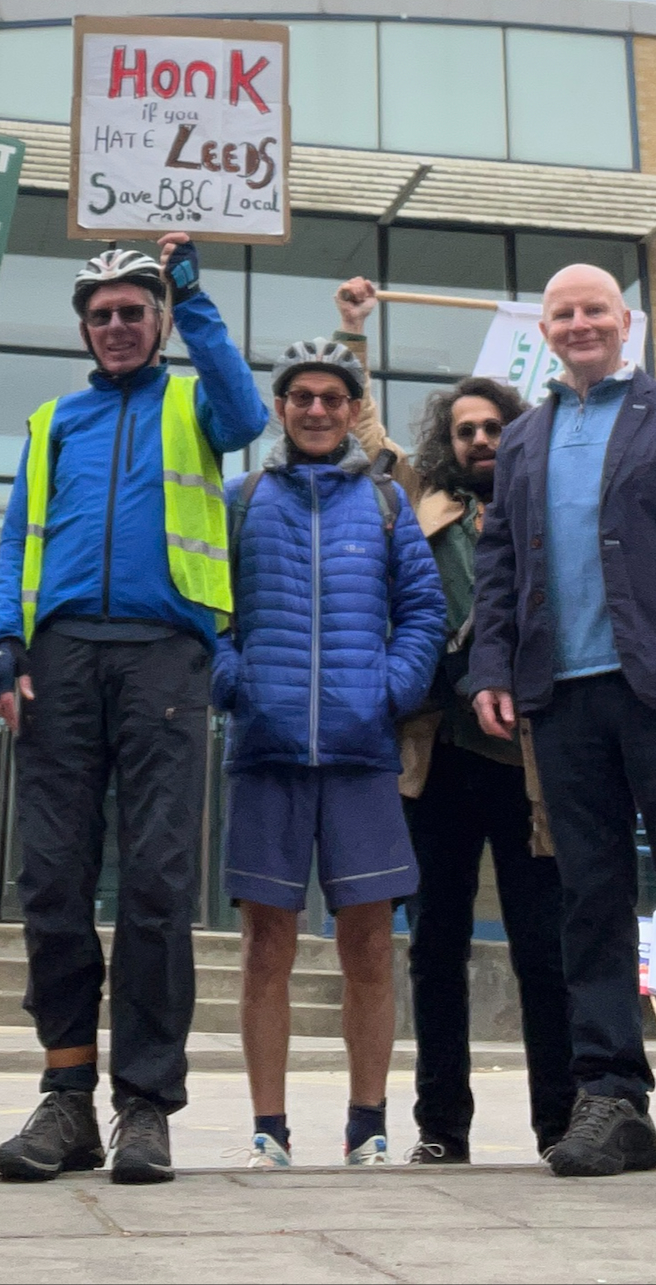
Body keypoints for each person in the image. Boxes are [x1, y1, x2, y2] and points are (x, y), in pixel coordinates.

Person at [468, 265, 656, 1185]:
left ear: (624, 322)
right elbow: (493, 568)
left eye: (593, 309)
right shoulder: (524, 439)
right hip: (561, 698)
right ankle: (608, 1098)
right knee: (588, 900)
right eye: (562, 314)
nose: (579, 324)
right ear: (547, 332)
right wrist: (491, 665)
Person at [0, 233, 267, 1186]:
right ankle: (66, 1096)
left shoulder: (194, 399)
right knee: (52, 879)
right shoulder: (51, 421)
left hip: (165, 658)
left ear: (156, 321)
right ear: (84, 328)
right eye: (100, 315)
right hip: (59, 659)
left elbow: (245, 406)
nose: (116, 327)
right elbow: (19, 534)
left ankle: (145, 1107)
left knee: (155, 884)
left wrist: (193, 295)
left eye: (132, 312)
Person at [331, 279, 574, 1165]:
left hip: (529, 760)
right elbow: (362, 432)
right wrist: (352, 333)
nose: (478, 439)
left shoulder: (547, 503)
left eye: (492, 427)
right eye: (464, 429)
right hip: (436, 762)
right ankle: (442, 1128)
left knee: (543, 948)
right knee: (435, 946)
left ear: (515, 432)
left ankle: (561, 1122)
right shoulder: (417, 499)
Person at [216, 337, 445, 1168]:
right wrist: (237, 684)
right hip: (266, 754)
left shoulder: (386, 506)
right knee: (265, 947)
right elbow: (209, 611)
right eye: (301, 396)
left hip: (360, 756)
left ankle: (367, 1123)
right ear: (280, 408)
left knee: (371, 946)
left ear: (353, 409)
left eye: (332, 397)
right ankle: (268, 1130)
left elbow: (422, 613)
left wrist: (386, 692)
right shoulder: (239, 499)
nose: (316, 409)